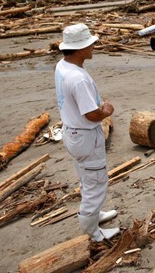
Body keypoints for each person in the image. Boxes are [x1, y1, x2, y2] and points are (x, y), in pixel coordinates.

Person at [54, 23, 120, 242]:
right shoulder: (78, 78)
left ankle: (93, 215)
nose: (93, 47)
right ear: (81, 48)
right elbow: (91, 115)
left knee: (86, 178)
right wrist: (105, 111)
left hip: (72, 133)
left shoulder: (63, 66)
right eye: (90, 44)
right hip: (85, 135)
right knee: (96, 181)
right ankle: (92, 231)